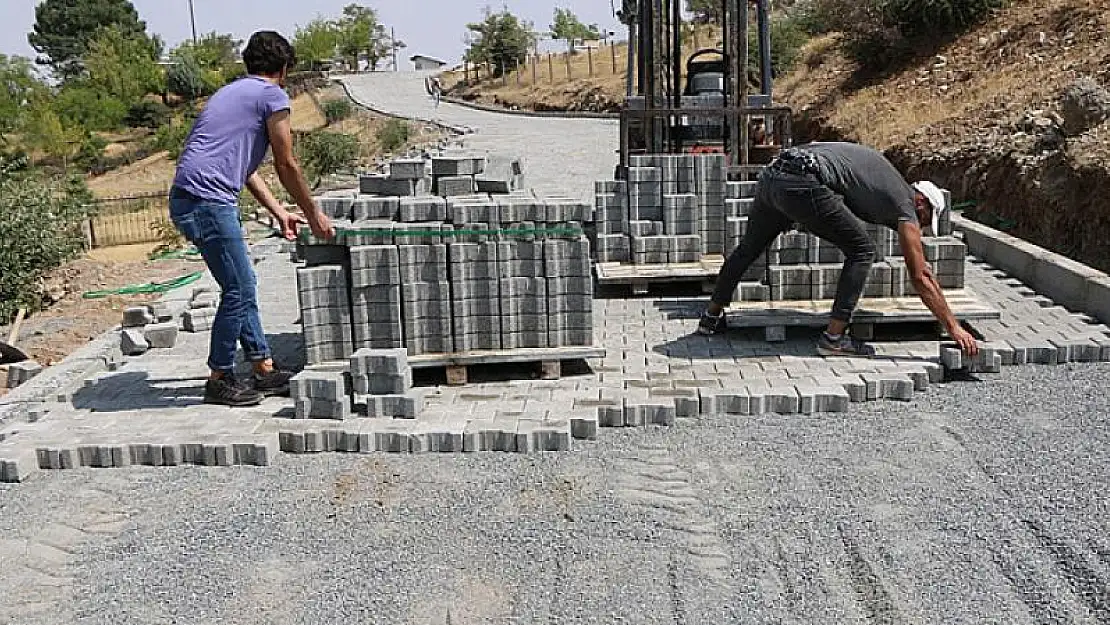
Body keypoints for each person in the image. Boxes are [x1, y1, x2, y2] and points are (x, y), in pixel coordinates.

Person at [169, 31, 335, 407]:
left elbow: (244, 168)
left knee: (239, 284)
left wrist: (280, 212)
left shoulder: (231, 93)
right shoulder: (272, 95)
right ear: (285, 68)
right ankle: (220, 377)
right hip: (206, 200)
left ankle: (262, 366)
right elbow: (286, 162)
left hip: (190, 197)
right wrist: (314, 214)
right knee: (240, 288)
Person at [698, 141, 979, 358]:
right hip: (802, 179)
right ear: (922, 203)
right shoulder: (905, 205)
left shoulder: (886, 180)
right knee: (862, 250)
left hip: (774, 174)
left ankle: (710, 318)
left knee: (749, 247)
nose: (922, 229)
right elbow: (921, 276)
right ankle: (833, 339)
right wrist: (953, 326)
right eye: (926, 220)